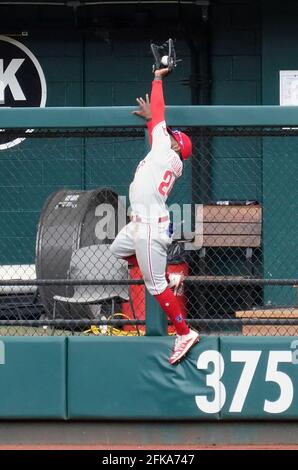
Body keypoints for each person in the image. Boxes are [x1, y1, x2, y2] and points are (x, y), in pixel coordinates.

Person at [110, 66, 199, 365]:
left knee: (154, 286)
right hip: (139, 225)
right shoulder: (166, 151)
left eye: (173, 136)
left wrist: (157, 80)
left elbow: (160, 116)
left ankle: (184, 332)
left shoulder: (168, 150)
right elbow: (158, 126)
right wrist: (153, 122)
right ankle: (162, 274)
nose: (168, 133)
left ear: (177, 145)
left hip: (150, 227)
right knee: (116, 251)